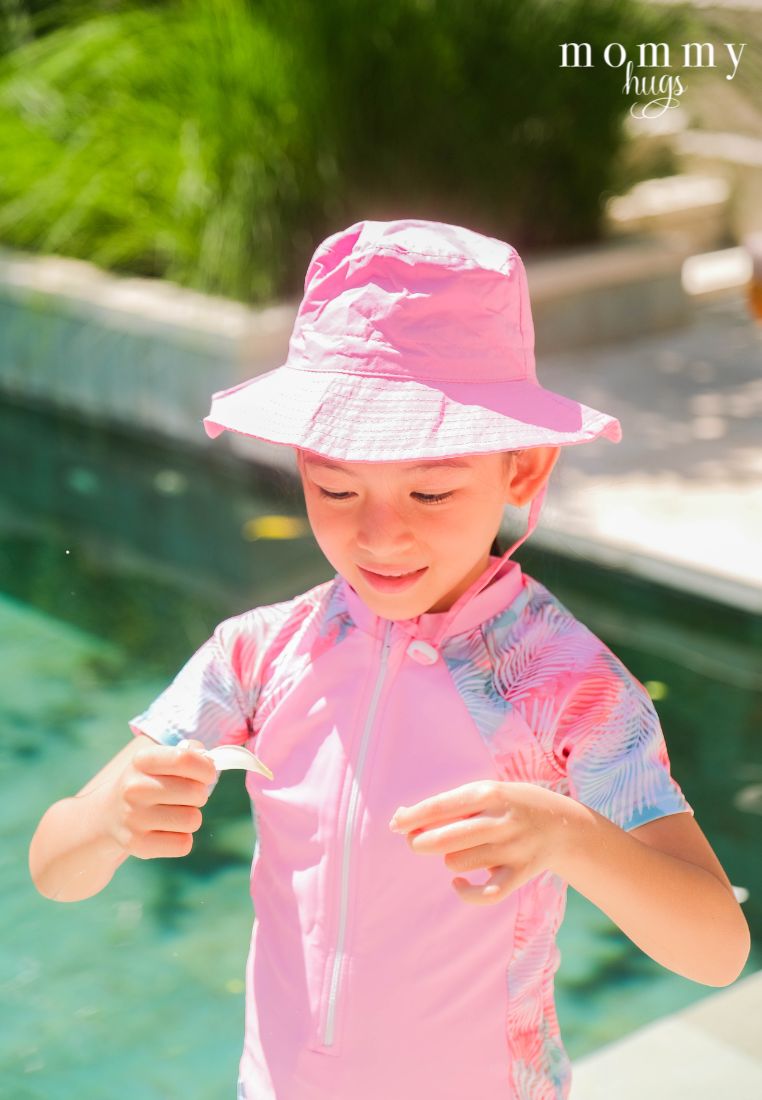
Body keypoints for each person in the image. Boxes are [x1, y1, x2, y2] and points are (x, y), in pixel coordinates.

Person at [29, 219, 750, 1100]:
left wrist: (567, 835)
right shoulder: (260, 655)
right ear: (302, 466)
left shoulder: (563, 686)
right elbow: (53, 868)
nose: (381, 534)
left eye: (432, 489)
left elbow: (718, 949)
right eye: (336, 488)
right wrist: (111, 815)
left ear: (521, 470)